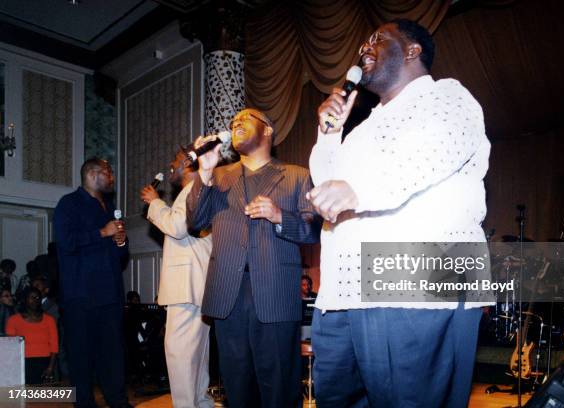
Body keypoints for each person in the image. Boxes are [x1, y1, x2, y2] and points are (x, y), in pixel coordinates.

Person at [307, 19, 491, 407]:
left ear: (412, 50)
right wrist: (328, 135)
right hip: (344, 292)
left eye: (377, 39)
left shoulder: (447, 96)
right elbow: (328, 187)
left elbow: (439, 147)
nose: (364, 47)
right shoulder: (362, 130)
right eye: (363, 42)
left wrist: (359, 190)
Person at [186, 108, 321, 408]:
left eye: (245, 119)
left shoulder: (297, 176)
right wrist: (204, 173)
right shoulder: (218, 176)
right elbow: (194, 222)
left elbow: (313, 232)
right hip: (228, 295)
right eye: (233, 122)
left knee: (279, 389)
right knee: (237, 387)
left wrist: (278, 216)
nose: (236, 123)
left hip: (275, 293)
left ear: (268, 130)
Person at [54, 158, 131, 408]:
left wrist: (120, 241)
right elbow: (66, 243)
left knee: (112, 355)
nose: (112, 178)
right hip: (81, 297)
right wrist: (102, 233)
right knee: (81, 357)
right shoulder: (69, 204)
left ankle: (118, 401)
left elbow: (119, 255)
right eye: (108, 172)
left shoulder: (107, 206)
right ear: (92, 174)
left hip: (110, 296)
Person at [140, 147, 214, 408]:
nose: (171, 165)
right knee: (196, 354)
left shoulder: (191, 191)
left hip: (186, 286)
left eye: (175, 161)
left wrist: (155, 202)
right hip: (197, 286)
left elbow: (177, 227)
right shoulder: (202, 191)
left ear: (187, 162)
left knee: (180, 354)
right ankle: (200, 403)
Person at [6, 287, 58, 384]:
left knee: (40, 397)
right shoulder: (13, 320)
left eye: (38, 297)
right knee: (23, 397)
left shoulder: (49, 320)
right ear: (25, 299)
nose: (35, 300)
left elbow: (54, 346)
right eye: (32, 297)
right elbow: (10, 347)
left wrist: (50, 368)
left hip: (44, 363)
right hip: (22, 363)